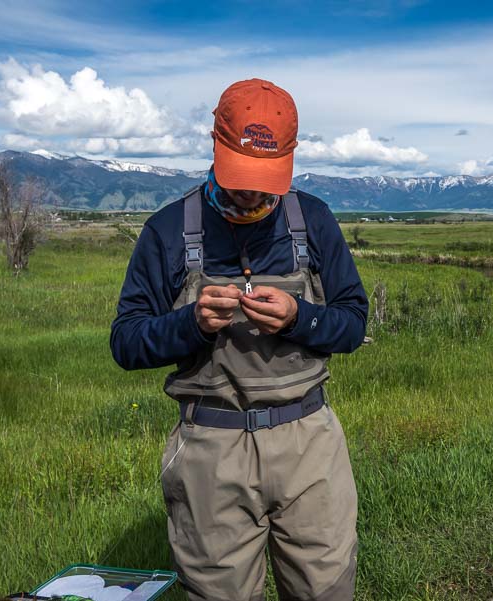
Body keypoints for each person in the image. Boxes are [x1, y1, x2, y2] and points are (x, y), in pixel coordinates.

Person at [110, 77, 368, 601]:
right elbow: (126, 342)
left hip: (309, 444)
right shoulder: (166, 231)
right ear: (214, 145)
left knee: (328, 590)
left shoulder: (313, 220)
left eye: (264, 178)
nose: (250, 191)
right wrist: (192, 325)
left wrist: (300, 317)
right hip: (211, 449)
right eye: (240, 174)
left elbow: (353, 323)